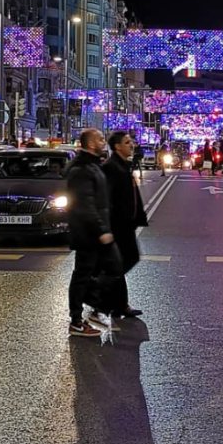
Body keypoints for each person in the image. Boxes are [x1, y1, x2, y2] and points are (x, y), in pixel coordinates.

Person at [66, 128, 124, 337]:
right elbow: (85, 204)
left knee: (106, 270)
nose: (103, 142)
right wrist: (102, 231)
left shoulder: (92, 164)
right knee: (84, 274)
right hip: (88, 234)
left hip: (94, 231)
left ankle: (94, 309)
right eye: (100, 139)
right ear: (90, 144)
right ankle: (77, 321)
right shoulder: (82, 169)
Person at [102, 131, 147, 318]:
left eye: (131, 142)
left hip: (126, 224)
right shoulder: (112, 168)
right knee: (126, 260)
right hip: (118, 225)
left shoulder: (122, 165)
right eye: (127, 142)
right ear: (117, 147)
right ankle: (102, 296)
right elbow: (107, 200)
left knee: (121, 263)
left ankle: (119, 304)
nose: (132, 145)